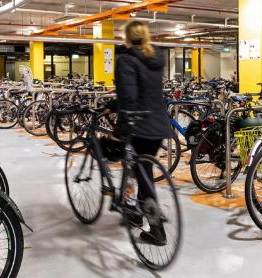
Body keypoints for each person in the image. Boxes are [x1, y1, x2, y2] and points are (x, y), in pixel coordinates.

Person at [114, 20, 171, 245]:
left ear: (127, 37)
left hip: (140, 125)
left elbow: (129, 98)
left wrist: (118, 131)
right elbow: (145, 91)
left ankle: (156, 231)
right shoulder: (154, 58)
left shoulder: (127, 60)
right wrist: (112, 103)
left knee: (143, 176)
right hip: (158, 125)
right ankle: (138, 211)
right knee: (142, 169)